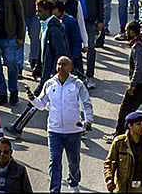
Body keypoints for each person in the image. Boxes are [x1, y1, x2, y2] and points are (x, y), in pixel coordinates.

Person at [27, 55, 93, 193]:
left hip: (73, 131)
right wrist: (32, 98)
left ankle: (74, 183)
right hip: (54, 131)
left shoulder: (77, 84)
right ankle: (54, 189)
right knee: (54, 162)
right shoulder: (50, 84)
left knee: (73, 161)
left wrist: (88, 120)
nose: (60, 68)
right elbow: (41, 104)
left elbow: (86, 103)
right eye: (58, 64)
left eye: (64, 65)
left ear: (70, 67)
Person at [104, 109, 142, 193]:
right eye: (138, 124)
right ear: (130, 126)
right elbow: (109, 162)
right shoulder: (119, 142)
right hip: (125, 187)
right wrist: (109, 179)